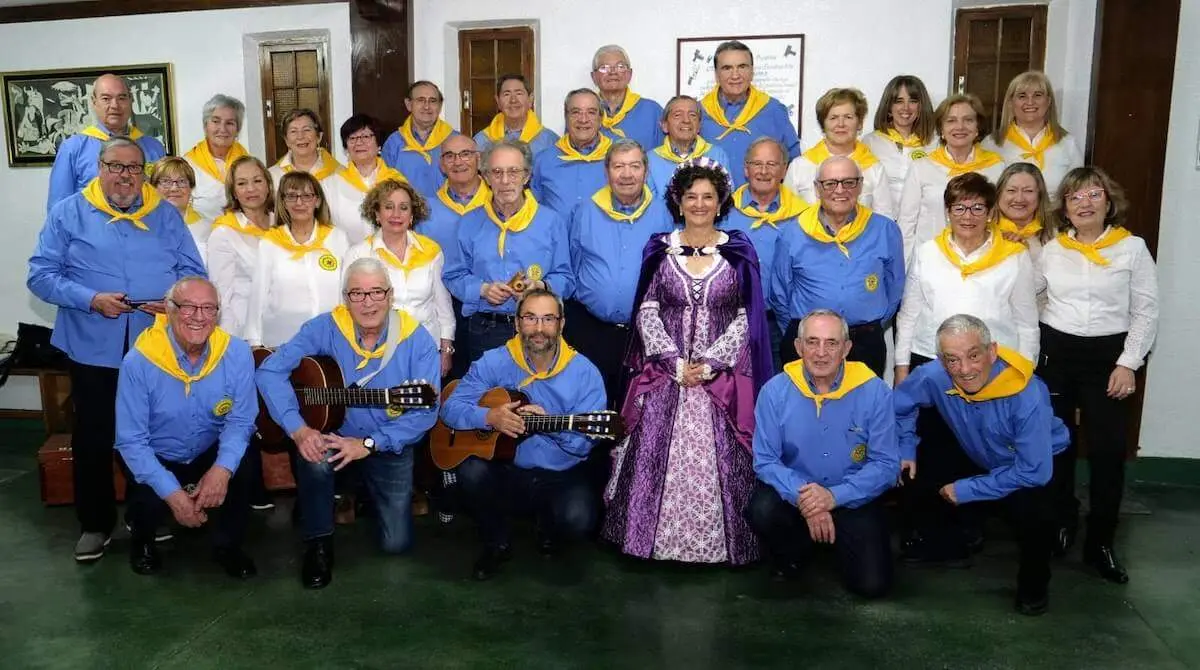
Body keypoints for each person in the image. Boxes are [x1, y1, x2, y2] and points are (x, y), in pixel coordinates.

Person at [28, 136, 206, 562]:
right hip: (92, 345)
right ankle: (95, 524)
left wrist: (172, 299)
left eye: (133, 168)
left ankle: (148, 513)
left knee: (153, 434)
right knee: (94, 436)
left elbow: (192, 270)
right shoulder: (68, 213)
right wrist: (90, 298)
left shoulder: (163, 214)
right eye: (115, 167)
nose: (125, 176)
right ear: (100, 168)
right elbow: (40, 275)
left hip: (153, 345)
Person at [602, 157, 772, 565]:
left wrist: (712, 362)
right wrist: (672, 362)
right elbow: (646, 310)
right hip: (667, 376)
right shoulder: (660, 250)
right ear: (677, 201)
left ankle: (722, 546)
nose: (698, 204)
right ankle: (649, 541)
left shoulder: (739, 250)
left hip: (721, 380)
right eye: (690, 196)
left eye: (707, 196)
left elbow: (749, 316)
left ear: (721, 202)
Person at [256, 258, 441, 588]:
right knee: (313, 459)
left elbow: (425, 412)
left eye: (376, 292)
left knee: (396, 545)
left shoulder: (417, 340)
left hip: (385, 444)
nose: (367, 302)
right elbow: (269, 370)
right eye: (357, 293)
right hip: (332, 436)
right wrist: (297, 428)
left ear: (390, 295)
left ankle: (358, 493)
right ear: (345, 298)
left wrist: (369, 445)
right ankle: (318, 544)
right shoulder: (325, 328)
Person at [894, 314, 1070, 616]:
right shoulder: (933, 375)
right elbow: (899, 406)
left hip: (1037, 462)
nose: (964, 369)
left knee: (1036, 516)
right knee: (915, 470)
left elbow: (1033, 471)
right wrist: (906, 448)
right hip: (979, 453)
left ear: (992, 351)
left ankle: (1034, 586)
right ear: (941, 360)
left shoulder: (1027, 393)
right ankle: (945, 545)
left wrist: (965, 490)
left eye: (973, 355)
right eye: (952, 359)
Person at [1038, 167, 1159, 584]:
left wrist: (1128, 363)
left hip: (1109, 357)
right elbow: (1035, 298)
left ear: (1109, 202)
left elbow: (1145, 311)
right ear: (1064, 209)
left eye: (1093, 195)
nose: (1085, 203)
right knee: (1058, 448)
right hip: (1059, 353)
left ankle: (1101, 543)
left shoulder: (1132, 249)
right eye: (1075, 197)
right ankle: (1061, 524)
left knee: (1107, 452)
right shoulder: (1052, 250)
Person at [441, 289, 607, 580]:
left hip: (560, 473)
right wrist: (489, 417)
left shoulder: (584, 373)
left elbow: (583, 446)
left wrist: (554, 427)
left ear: (561, 324)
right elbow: (450, 407)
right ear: (517, 323)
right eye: (530, 318)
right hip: (508, 470)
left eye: (548, 319)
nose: (539, 329)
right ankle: (497, 541)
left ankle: (548, 526)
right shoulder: (495, 361)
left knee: (579, 519)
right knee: (471, 470)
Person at [745, 309, 898, 597]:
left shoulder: (875, 391)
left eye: (831, 343)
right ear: (798, 347)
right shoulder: (775, 391)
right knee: (762, 510)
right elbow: (765, 461)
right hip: (797, 494)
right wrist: (809, 499)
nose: (821, 352)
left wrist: (833, 497)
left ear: (847, 349)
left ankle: (842, 543)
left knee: (872, 586)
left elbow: (886, 465)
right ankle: (795, 553)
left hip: (853, 495)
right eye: (812, 342)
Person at [115, 277, 257, 579]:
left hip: (207, 446)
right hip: (157, 453)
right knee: (148, 493)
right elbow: (131, 442)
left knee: (244, 460)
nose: (199, 317)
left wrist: (221, 470)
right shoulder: (139, 362)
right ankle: (143, 541)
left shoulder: (236, 353)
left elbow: (241, 420)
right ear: (169, 310)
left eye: (208, 308)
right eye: (189, 307)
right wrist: (175, 496)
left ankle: (228, 545)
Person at [895, 172, 1039, 378]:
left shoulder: (1014, 256)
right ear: (948, 212)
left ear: (990, 213)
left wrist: (1026, 371)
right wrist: (901, 368)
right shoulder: (927, 252)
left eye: (978, 208)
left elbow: (1027, 323)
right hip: (931, 358)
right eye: (959, 208)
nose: (968, 216)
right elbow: (909, 315)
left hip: (994, 363)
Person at [771, 156, 904, 376]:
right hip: (809, 346)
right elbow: (779, 293)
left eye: (849, 182)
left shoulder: (885, 230)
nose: (840, 190)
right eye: (830, 183)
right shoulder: (792, 232)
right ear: (817, 188)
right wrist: (803, 335)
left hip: (864, 344)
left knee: (863, 409)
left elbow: (895, 286)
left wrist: (869, 324)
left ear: (860, 185)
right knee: (803, 409)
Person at [566, 138, 675, 408]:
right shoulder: (585, 211)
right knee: (591, 407)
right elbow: (572, 262)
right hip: (591, 330)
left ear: (646, 171)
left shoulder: (665, 215)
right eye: (619, 166)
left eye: (634, 166)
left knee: (639, 408)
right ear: (607, 172)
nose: (627, 174)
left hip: (644, 333)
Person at [444, 140, 574, 362]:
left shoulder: (550, 222)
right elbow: (454, 275)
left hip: (538, 330)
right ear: (485, 177)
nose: (505, 181)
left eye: (513, 172)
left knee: (536, 396)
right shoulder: (469, 223)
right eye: (497, 172)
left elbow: (566, 279)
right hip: (486, 329)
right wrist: (482, 289)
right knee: (491, 396)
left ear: (526, 177)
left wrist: (540, 287)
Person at [344, 179, 455, 377]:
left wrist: (446, 350)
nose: (396, 214)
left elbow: (443, 307)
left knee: (425, 406)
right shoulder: (358, 254)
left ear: (412, 215)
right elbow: (346, 309)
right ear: (377, 214)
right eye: (388, 207)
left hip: (426, 350)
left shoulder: (431, 251)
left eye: (403, 208)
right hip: (376, 354)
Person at [724, 137, 810, 372]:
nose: (763, 171)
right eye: (756, 164)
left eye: (772, 164)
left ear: (784, 170)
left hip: (781, 323)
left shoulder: (804, 217)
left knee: (779, 394)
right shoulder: (722, 211)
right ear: (745, 169)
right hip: (731, 320)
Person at [245, 172, 351, 348]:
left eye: (307, 196)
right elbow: (258, 294)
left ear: (317, 201)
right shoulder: (270, 242)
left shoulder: (337, 238)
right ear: (283, 202)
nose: (299, 203)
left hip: (331, 340)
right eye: (292, 196)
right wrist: (255, 342)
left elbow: (347, 289)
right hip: (282, 341)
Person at [898, 94, 1006, 264]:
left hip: (982, 261)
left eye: (968, 120)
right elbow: (906, 225)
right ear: (941, 129)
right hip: (932, 262)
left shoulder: (996, 167)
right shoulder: (921, 167)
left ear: (977, 127)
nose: (960, 126)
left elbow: (1001, 218)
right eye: (951, 120)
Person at [47, 74, 168, 212]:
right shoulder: (73, 148)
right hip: (92, 232)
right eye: (106, 99)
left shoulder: (154, 148)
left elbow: (165, 201)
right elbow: (58, 209)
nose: (115, 105)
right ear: (94, 102)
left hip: (145, 230)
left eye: (122, 98)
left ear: (131, 100)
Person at [424, 133, 488, 380]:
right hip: (441, 305)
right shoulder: (426, 210)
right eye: (449, 156)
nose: (458, 161)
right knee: (449, 380)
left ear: (478, 159)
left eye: (465, 154)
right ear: (441, 164)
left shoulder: (498, 202)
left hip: (486, 306)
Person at [698, 40, 801, 188]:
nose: (735, 75)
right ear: (716, 74)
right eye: (727, 68)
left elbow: (794, 164)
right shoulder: (698, 113)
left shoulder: (773, 110)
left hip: (761, 207)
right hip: (710, 207)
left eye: (742, 67)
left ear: (752, 72)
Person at [785, 88, 895, 218]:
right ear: (823, 124)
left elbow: (884, 221)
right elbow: (787, 216)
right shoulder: (800, 166)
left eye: (848, 117)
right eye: (833, 118)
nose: (841, 124)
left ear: (859, 123)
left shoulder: (874, 168)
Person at [983, 71, 1083, 198]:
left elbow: (1077, 193)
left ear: (1048, 102)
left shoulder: (1068, 144)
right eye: (1022, 96)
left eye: (1038, 95)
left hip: (1053, 216)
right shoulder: (991, 144)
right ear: (1010, 103)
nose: (1030, 102)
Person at [207, 156, 275, 339]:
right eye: (242, 183)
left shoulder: (283, 225)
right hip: (244, 330)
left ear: (268, 185)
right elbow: (221, 295)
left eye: (257, 181)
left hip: (282, 325)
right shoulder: (224, 233)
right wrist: (231, 343)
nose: (251, 189)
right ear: (234, 192)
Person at [326, 113, 409, 241]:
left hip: (388, 255)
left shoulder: (397, 181)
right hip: (346, 256)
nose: (359, 142)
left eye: (366, 136)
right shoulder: (330, 184)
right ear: (346, 148)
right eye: (352, 138)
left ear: (379, 144)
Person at [531, 89, 613, 215]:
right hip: (557, 235)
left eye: (591, 112)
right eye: (576, 112)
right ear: (566, 117)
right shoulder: (543, 160)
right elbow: (533, 211)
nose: (583, 119)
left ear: (600, 119)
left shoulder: (617, 158)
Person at [863, 76, 938, 209]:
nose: (906, 108)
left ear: (921, 106)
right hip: (882, 221)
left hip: (921, 223)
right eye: (899, 101)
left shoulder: (935, 143)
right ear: (889, 106)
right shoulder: (870, 143)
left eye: (913, 101)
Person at [382, 81, 457, 197]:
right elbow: (384, 185)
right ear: (408, 104)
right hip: (406, 212)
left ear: (440, 106)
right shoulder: (394, 143)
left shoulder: (455, 140)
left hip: (447, 212)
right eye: (420, 100)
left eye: (432, 101)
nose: (426, 106)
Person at [646, 95, 730, 198]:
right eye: (677, 115)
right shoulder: (650, 160)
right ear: (664, 126)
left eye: (692, 115)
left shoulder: (717, 155)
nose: (686, 120)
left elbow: (726, 198)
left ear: (699, 126)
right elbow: (649, 204)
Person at [183, 94, 248, 220]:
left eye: (230, 123)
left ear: (238, 129)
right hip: (201, 236)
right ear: (205, 126)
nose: (222, 129)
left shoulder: (249, 164)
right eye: (216, 121)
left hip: (242, 235)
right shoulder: (187, 165)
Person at [591, 44, 664, 150]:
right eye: (604, 68)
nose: (612, 72)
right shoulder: (583, 113)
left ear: (629, 74)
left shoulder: (652, 111)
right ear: (593, 77)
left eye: (620, 67)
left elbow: (666, 156)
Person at [473, 74, 558, 156]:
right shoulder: (481, 141)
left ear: (530, 99)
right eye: (507, 94)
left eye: (519, 93)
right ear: (498, 101)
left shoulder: (550, 142)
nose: (513, 100)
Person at [150, 156, 212, 261]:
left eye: (182, 181)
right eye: (166, 181)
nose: (174, 188)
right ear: (154, 188)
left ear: (191, 188)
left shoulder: (208, 229)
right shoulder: (143, 227)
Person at [995, 162, 1054, 262]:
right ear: (998, 194)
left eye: (1028, 191)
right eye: (1011, 190)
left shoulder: (1056, 234)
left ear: (1040, 196)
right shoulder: (983, 231)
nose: (1019, 199)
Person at [268, 108, 342, 184]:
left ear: (319, 136)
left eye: (307, 130)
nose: (300, 136)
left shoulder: (339, 174)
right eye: (293, 131)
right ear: (286, 140)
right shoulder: (272, 177)